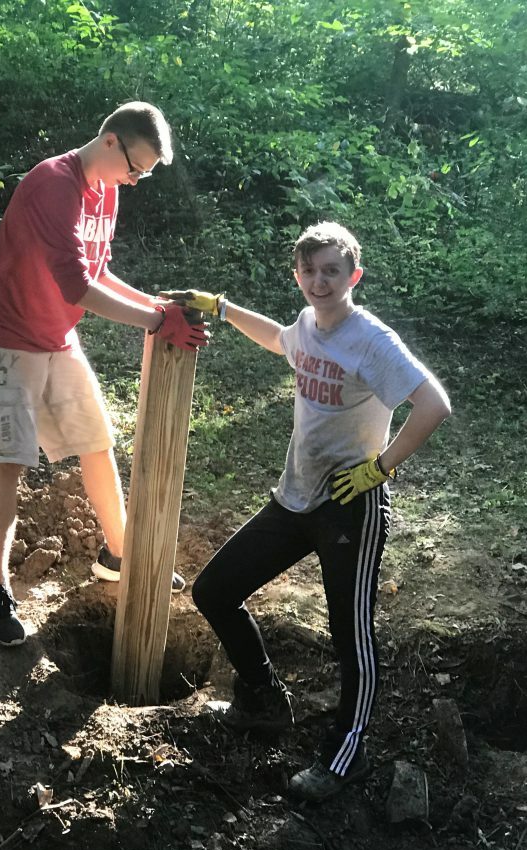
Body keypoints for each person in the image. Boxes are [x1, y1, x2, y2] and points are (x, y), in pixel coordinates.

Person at [163, 221, 451, 803]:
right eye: (309, 271)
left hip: (351, 505)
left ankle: (348, 752)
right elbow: (279, 339)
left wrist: (380, 467)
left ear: (354, 277)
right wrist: (221, 307)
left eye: (331, 271)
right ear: (298, 275)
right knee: (214, 590)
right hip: (296, 496)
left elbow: (433, 404)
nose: (319, 282)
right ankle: (265, 699)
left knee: (350, 634)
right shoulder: (307, 326)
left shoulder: (372, 340)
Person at [0, 102, 207, 647]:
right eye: (137, 167)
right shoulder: (54, 184)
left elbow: (97, 270)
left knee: (97, 441)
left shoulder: (108, 189)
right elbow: (76, 285)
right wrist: (155, 320)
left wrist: (155, 304)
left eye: (144, 173)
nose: (137, 180)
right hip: (6, 336)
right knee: (8, 460)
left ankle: (117, 554)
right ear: (110, 142)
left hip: (57, 336)